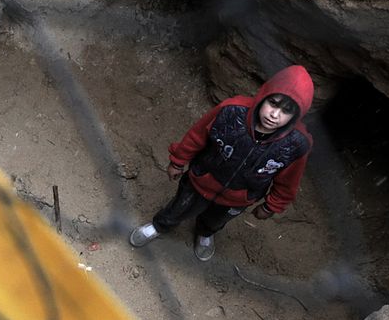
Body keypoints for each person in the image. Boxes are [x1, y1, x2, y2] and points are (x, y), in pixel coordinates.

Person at [129, 65, 314, 261]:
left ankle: (205, 233)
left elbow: (288, 181)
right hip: (201, 180)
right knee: (180, 207)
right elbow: (197, 135)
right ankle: (160, 225)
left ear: (297, 115)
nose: (274, 115)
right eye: (273, 103)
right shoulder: (232, 111)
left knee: (217, 219)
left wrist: (271, 206)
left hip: (239, 197)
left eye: (286, 111)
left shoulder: (297, 144)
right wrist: (178, 160)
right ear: (264, 95)